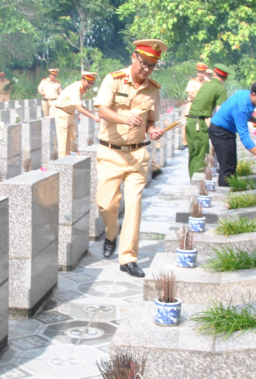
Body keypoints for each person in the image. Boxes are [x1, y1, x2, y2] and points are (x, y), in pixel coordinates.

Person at [95, 39, 165, 278]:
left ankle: (128, 258)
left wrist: (152, 130)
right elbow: (102, 110)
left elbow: (151, 120)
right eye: (144, 63)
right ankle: (112, 232)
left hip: (137, 155)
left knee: (134, 206)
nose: (146, 69)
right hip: (110, 153)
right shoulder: (112, 79)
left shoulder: (153, 88)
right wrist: (125, 119)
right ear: (134, 57)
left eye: (152, 66)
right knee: (107, 205)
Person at [209, 80, 256, 186]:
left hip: (226, 131)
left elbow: (246, 114)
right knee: (227, 170)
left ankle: (229, 190)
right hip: (220, 131)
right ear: (254, 94)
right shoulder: (242, 107)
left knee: (232, 164)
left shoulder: (246, 95)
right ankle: (225, 194)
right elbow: (245, 140)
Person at [186, 63, 229, 177]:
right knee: (201, 154)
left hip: (190, 121)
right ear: (226, 77)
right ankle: (198, 187)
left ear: (214, 74)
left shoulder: (206, 85)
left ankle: (193, 180)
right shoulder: (220, 89)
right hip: (199, 123)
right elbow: (220, 113)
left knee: (194, 154)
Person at [53, 71, 100, 156]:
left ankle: (70, 161)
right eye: (88, 82)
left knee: (72, 139)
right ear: (83, 79)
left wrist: (90, 112)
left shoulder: (82, 89)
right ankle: (62, 163)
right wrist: (93, 117)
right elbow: (79, 108)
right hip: (62, 112)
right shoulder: (76, 88)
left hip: (70, 113)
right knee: (63, 141)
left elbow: (79, 104)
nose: (89, 85)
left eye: (92, 83)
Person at [180, 62, 210, 150]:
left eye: (202, 72)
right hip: (192, 103)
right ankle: (185, 142)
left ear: (205, 73)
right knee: (185, 122)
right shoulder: (192, 81)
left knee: (208, 122)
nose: (200, 74)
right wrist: (199, 99)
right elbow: (190, 93)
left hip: (204, 105)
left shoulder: (208, 82)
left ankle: (206, 142)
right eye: (198, 72)